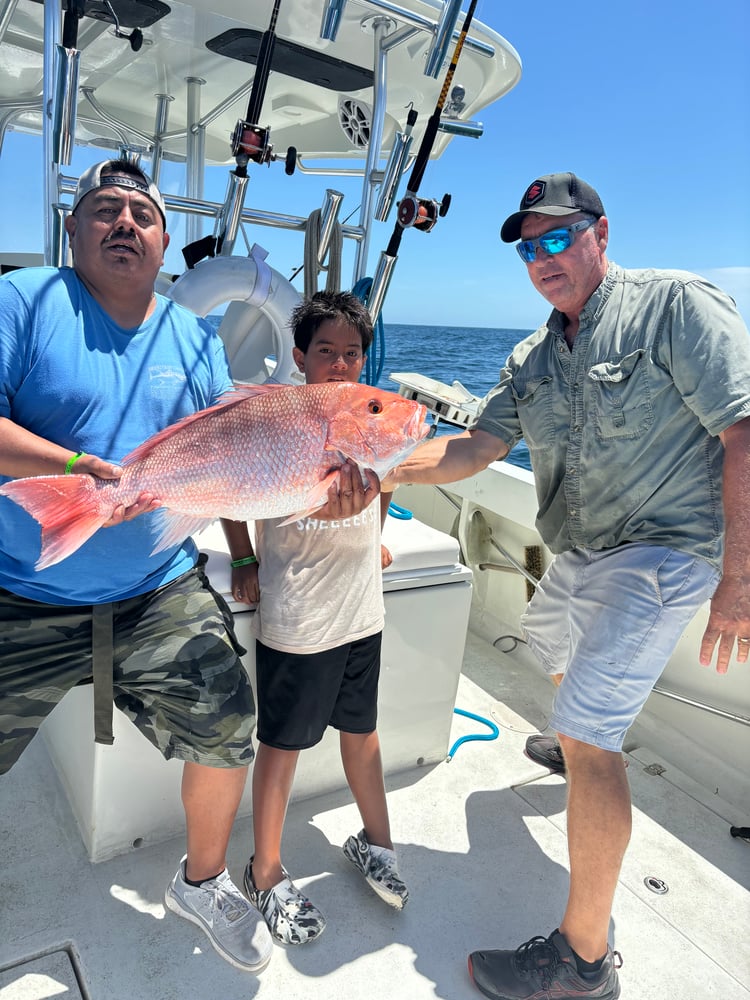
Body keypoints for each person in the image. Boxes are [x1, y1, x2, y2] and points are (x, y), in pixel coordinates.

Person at [0, 159, 373, 975]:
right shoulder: (21, 301)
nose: (125, 223)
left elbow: (229, 459)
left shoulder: (191, 334)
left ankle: (202, 882)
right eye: (105, 210)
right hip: (17, 588)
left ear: (166, 239)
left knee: (228, 729)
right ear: (75, 227)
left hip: (154, 589)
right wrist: (80, 466)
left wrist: (245, 548)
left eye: (142, 211)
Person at [383, 172, 750, 1000]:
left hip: (664, 553)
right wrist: (376, 477)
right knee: (546, 641)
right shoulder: (531, 357)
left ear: (601, 233)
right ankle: (582, 738)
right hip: (580, 554)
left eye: (559, 236)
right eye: (528, 245)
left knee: (588, 735)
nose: (542, 256)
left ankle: (583, 965)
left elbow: (744, 428)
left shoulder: (674, 306)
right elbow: (475, 448)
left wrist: (740, 580)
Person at [221, 290, 409, 946]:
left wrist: (375, 533)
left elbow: (382, 483)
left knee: (363, 732)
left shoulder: (369, 415)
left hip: (362, 611)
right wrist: (243, 554)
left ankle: (377, 841)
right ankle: (264, 871)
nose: (338, 364)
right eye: (324, 351)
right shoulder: (277, 417)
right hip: (299, 615)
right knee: (283, 746)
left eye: (351, 353)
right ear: (298, 356)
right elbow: (227, 484)